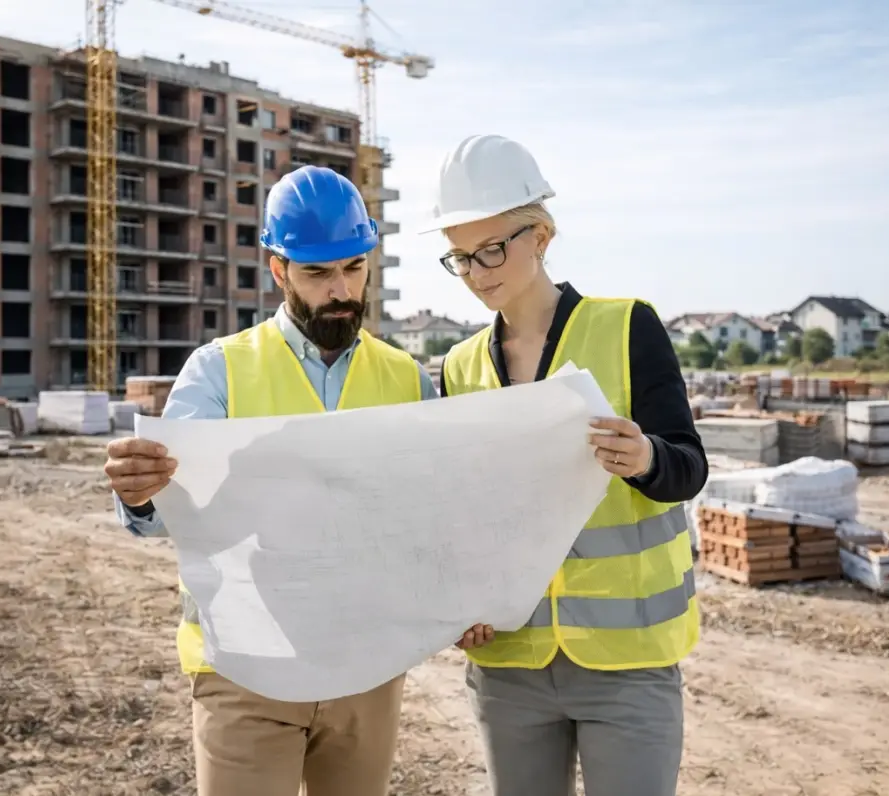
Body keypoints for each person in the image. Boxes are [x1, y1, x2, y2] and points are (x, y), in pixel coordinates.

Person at [104, 164, 438, 796]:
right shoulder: (218, 372)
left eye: (354, 268)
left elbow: (425, 517)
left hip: (365, 668)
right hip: (245, 667)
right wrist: (139, 491)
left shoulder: (408, 379)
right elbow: (168, 505)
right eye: (318, 273)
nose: (341, 290)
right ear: (279, 269)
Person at [421, 134, 709, 796]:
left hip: (626, 661)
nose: (477, 271)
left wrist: (645, 457)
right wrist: (457, 603)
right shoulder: (460, 366)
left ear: (542, 235)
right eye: (460, 257)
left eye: (492, 249)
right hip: (508, 662)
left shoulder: (626, 327)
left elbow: (688, 466)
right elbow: (459, 513)